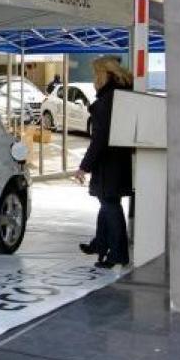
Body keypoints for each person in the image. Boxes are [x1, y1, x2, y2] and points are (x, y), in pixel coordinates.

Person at [74, 56, 133, 269]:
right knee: (108, 203)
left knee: (110, 205)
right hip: (121, 160)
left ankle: (118, 254)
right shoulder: (123, 95)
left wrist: (84, 167)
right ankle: (100, 243)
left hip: (109, 164)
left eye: (95, 74)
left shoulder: (105, 103)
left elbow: (99, 139)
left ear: (103, 75)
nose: (93, 79)